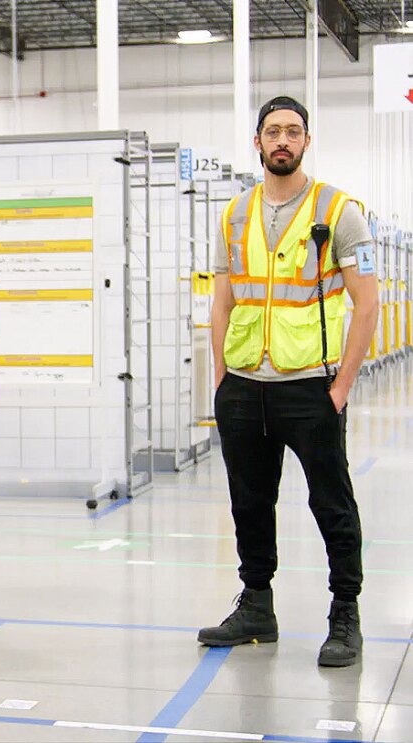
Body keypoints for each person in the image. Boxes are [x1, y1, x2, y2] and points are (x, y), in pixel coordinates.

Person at [200, 97, 380, 667]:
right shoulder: (234, 214)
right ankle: (256, 605)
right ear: (257, 142)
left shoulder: (339, 210)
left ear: (307, 141)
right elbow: (222, 300)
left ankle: (344, 613)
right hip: (244, 387)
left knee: (332, 503)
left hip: (311, 388)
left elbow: (368, 303)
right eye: (272, 131)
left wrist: (341, 387)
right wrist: (222, 376)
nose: (282, 140)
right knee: (250, 503)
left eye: (293, 132)